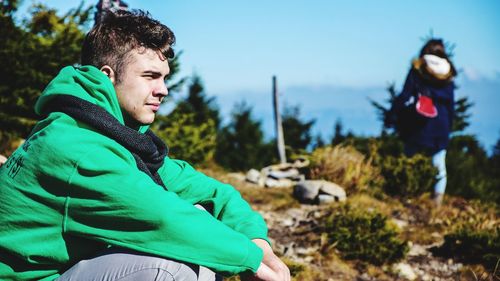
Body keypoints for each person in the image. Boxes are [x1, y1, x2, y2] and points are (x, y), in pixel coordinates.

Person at [0, 10, 290, 281]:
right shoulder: (77, 148)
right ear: (106, 76)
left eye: (164, 78)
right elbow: (165, 220)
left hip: (64, 269)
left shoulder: (113, 135)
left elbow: (216, 193)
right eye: (150, 76)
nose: (162, 90)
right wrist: (252, 261)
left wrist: (258, 243)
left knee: (202, 218)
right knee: (169, 269)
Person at [390, 38, 457, 206]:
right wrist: (449, 126)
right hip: (440, 123)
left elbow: (405, 95)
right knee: (439, 167)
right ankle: (437, 202)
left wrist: (393, 114)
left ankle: (405, 196)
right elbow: (451, 105)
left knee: (409, 160)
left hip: (418, 121)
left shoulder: (418, 69)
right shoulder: (448, 75)